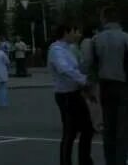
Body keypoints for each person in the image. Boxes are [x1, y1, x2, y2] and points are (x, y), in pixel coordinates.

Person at [49, 24, 94, 165]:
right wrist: (84, 80)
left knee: (87, 128)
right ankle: (66, 162)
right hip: (65, 95)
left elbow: (78, 67)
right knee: (70, 133)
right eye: (76, 31)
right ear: (66, 32)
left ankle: (84, 160)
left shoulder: (70, 49)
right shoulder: (56, 50)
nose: (78, 34)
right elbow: (64, 69)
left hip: (75, 93)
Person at [91, 6, 128, 165]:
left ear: (104, 19)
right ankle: (120, 161)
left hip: (105, 86)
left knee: (108, 127)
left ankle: (110, 161)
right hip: (124, 86)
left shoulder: (96, 39)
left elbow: (89, 64)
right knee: (123, 128)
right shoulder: (126, 38)